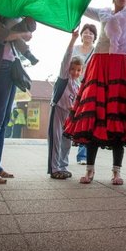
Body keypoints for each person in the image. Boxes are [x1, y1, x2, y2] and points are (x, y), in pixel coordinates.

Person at [64, 0, 126, 185]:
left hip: (121, 65)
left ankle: (116, 172)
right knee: (93, 115)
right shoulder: (102, 12)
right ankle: (90, 170)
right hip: (100, 65)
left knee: (118, 116)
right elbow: (82, 5)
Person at [0, 5, 36, 184]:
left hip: (10, 68)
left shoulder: (5, 14)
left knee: (3, 121)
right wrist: (22, 34)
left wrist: (27, 22)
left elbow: (18, 31)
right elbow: (2, 35)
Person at [48, 30, 83, 179]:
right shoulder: (64, 77)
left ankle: (63, 166)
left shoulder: (77, 85)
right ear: (68, 69)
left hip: (69, 116)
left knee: (66, 142)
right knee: (55, 140)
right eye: (72, 69)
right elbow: (66, 58)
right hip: (58, 110)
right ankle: (54, 169)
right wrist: (73, 40)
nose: (75, 72)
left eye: (78, 70)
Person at [72, 23, 97, 165]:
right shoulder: (75, 49)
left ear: (95, 37)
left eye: (91, 33)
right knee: (72, 119)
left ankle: (82, 155)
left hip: (89, 88)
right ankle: (64, 151)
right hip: (74, 87)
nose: (88, 35)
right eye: (85, 32)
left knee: (85, 120)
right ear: (81, 35)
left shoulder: (96, 51)